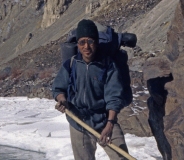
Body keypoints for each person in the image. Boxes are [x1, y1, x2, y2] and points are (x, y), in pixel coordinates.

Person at [52, 19, 129, 160]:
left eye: (90, 41)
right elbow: (58, 88)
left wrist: (110, 124)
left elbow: (114, 97)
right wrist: (62, 101)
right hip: (78, 122)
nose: (86, 46)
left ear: (96, 42)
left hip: (104, 121)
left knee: (122, 157)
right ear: (78, 44)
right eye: (82, 42)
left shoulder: (108, 65)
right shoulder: (71, 64)